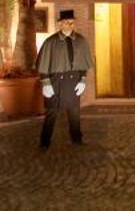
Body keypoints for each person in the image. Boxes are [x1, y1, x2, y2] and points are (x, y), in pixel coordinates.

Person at [36, 9, 93, 149]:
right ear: (60, 24)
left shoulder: (81, 41)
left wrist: (83, 80)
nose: (70, 25)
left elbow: (83, 63)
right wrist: (46, 84)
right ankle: (44, 142)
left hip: (73, 81)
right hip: (55, 82)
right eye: (67, 22)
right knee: (51, 113)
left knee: (74, 113)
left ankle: (77, 139)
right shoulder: (50, 42)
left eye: (72, 22)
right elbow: (43, 64)